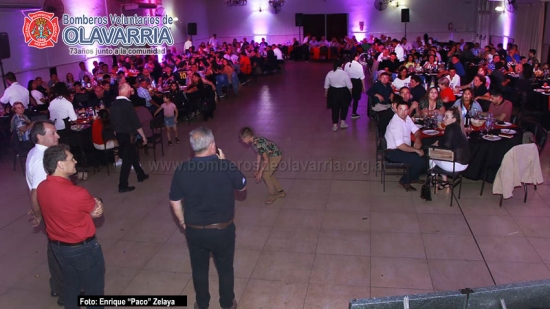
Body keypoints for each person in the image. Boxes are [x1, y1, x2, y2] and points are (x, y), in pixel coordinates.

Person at [169, 127, 246, 309]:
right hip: (222, 230)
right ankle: (227, 303)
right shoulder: (225, 166)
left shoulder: (182, 169)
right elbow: (242, 187)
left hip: (195, 231)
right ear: (212, 145)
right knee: (225, 268)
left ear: (194, 147)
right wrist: (225, 162)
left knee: (199, 269)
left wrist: (182, 223)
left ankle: (202, 304)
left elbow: (175, 201)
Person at [37, 144, 105, 309]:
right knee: (93, 290)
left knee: (72, 286)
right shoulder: (77, 193)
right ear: (60, 164)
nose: (75, 161)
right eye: (71, 159)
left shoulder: (41, 187)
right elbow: (96, 211)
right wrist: (98, 202)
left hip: (59, 248)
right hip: (83, 249)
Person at [25, 120, 64, 306]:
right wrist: (38, 215)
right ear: (40, 137)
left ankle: (57, 284)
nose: (57, 136)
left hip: (49, 212)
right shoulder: (41, 160)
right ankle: (65, 292)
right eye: (53, 133)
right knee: (62, 252)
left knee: (54, 249)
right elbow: (36, 192)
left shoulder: (37, 152)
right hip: (53, 214)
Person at [110, 83, 149, 193]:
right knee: (127, 159)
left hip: (119, 134)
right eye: (130, 88)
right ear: (126, 90)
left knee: (131, 155)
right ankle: (122, 185)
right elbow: (136, 123)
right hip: (127, 134)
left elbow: (112, 122)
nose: (131, 90)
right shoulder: (127, 104)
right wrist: (144, 137)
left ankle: (140, 174)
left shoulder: (113, 104)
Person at [384, 99, 426, 191]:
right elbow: (400, 146)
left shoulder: (407, 118)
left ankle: (413, 177)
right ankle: (404, 181)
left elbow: (417, 131)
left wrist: (418, 139)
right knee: (420, 161)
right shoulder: (396, 123)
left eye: (406, 109)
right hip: (393, 151)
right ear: (396, 109)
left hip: (402, 148)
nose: (403, 112)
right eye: (401, 109)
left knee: (425, 154)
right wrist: (415, 150)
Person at [239, 127, 285, 204]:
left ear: (247, 137)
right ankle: (280, 191)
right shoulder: (254, 141)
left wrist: (260, 172)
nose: (242, 141)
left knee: (265, 175)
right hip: (272, 155)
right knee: (268, 174)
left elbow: (266, 160)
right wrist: (257, 169)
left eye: (243, 139)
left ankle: (272, 195)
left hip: (275, 156)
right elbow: (259, 154)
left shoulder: (257, 144)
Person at [430, 107, 470, 189]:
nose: (444, 119)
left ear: (454, 119)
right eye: (444, 116)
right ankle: (444, 181)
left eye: (447, 117)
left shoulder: (450, 128)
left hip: (455, 165)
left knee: (431, 153)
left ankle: (434, 181)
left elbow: (446, 146)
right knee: (437, 153)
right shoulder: (459, 128)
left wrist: (437, 144)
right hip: (465, 164)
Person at [324, 59, 352, 131]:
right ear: (342, 65)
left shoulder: (330, 73)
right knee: (344, 107)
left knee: (334, 109)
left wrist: (326, 93)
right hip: (343, 92)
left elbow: (326, 85)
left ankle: (335, 125)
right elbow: (349, 86)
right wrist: (350, 94)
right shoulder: (345, 74)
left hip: (333, 92)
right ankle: (342, 123)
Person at [344, 53, 366, 119]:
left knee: (348, 98)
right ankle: (353, 113)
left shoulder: (347, 64)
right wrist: (363, 86)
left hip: (349, 81)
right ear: (356, 57)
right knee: (356, 99)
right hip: (357, 83)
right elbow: (362, 77)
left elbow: (345, 74)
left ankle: (344, 112)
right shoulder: (359, 65)